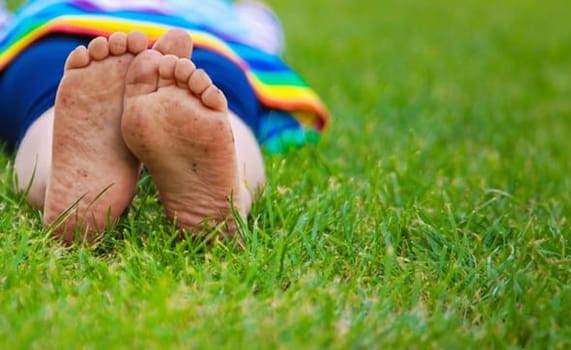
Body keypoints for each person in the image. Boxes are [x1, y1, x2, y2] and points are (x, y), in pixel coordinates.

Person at [0, 0, 331, 245]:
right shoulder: (229, 11)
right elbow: (263, 36)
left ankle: (57, 179)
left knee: (47, 102)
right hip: (204, 41)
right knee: (223, 108)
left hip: (56, 31)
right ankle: (232, 197)